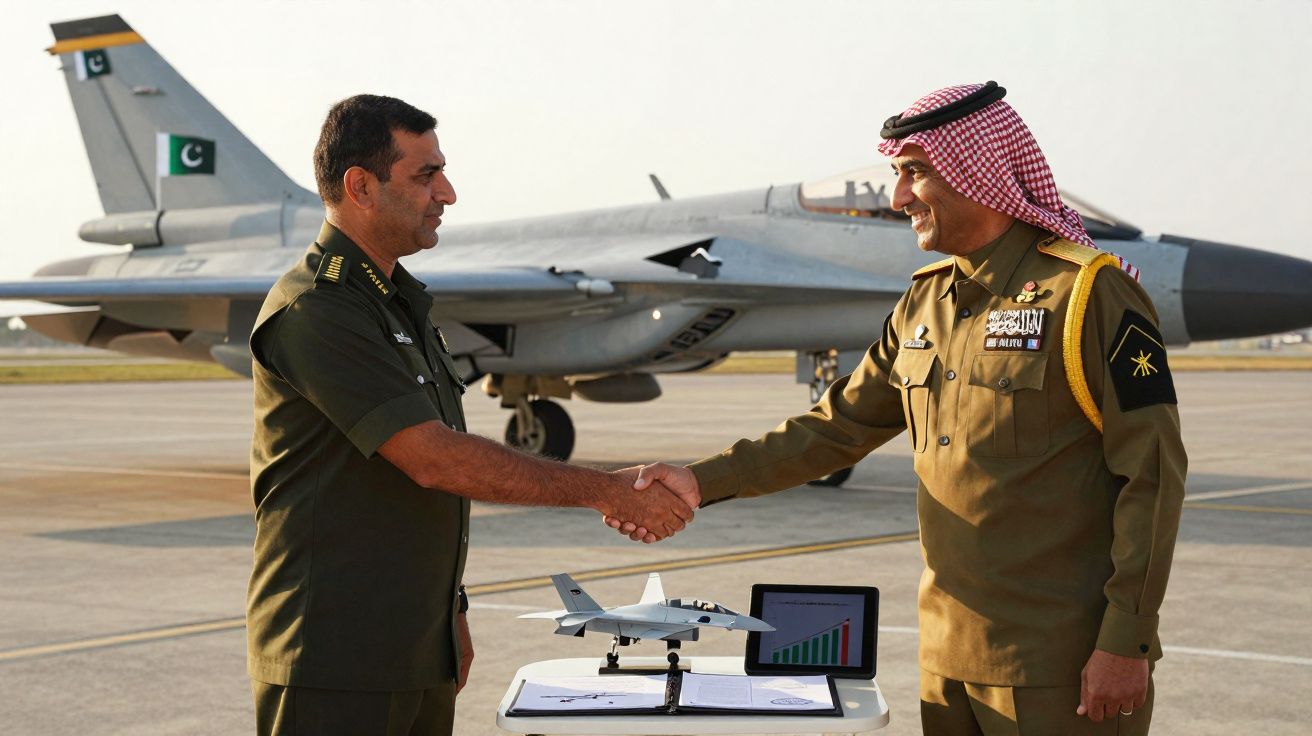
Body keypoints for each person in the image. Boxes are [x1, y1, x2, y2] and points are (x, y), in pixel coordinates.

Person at [610, 82, 1186, 735]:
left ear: (981, 173)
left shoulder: (1085, 295)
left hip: (1061, 665)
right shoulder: (925, 302)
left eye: (915, 173)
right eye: (896, 174)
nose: (897, 198)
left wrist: (1126, 641)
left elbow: (1153, 478)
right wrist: (698, 480)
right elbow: (838, 427)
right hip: (946, 662)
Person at [245, 94, 693, 736]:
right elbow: (432, 458)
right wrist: (610, 490)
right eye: (425, 175)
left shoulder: (398, 305)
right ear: (360, 186)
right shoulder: (320, 309)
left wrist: (446, 610)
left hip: (413, 646)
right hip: (336, 656)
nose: (447, 193)